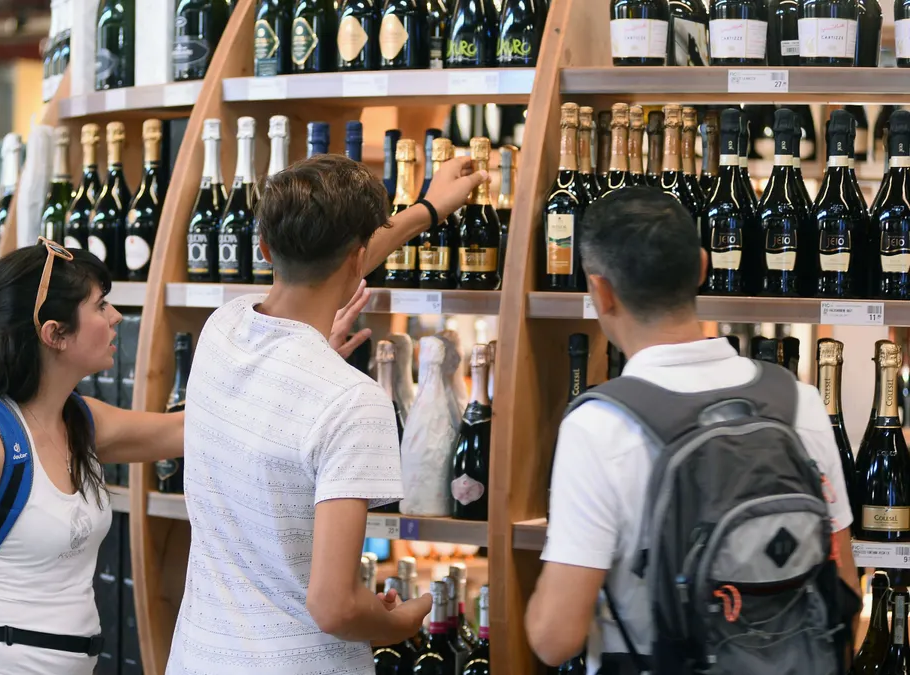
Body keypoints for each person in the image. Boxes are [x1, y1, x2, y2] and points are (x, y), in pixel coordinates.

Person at [0, 236, 375, 675]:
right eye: (100, 307)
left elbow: (206, 427)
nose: (116, 317)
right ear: (54, 333)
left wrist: (307, 359)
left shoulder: (77, 421)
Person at [166, 152, 487, 674]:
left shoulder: (220, 330)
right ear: (359, 258)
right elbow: (335, 606)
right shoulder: (352, 400)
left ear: (266, 247)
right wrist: (399, 623)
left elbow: (331, 264)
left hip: (200, 656)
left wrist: (427, 208)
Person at [524, 187, 860, 671]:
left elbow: (555, 637)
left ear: (600, 290)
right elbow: (843, 583)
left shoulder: (599, 425)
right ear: (702, 267)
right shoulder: (796, 402)